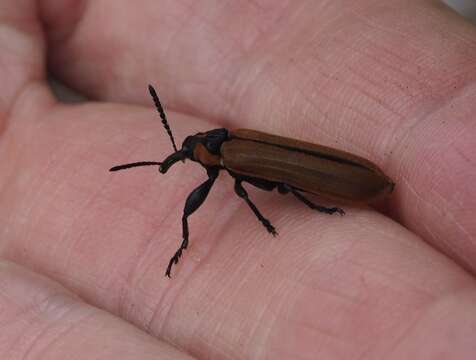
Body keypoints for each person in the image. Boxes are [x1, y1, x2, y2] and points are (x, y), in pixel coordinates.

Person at [1, 1, 475, 358]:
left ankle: (316, 207)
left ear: (204, 151)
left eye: (186, 153)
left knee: (286, 185)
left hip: (347, 178)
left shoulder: (235, 159)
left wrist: (282, 215)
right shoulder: (230, 146)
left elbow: (250, 191)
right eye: (185, 154)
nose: (184, 158)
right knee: (272, 185)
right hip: (346, 170)